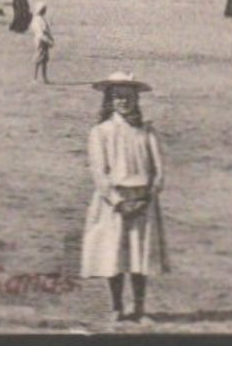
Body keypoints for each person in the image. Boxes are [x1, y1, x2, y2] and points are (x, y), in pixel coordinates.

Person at [81, 73, 169, 322]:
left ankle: (139, 309)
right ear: (110, 100)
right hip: (115, 203)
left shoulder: (147, 132)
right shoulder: (101, 132)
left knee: (140, 257)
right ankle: (117, 308)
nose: (124, 102)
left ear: (136, 100)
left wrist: (148, 196)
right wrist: (118, 201)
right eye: (118, 97)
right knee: (115, 255)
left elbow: (159, 170)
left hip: (143, 202)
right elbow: (99, 172)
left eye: (129, 97)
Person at [30, 3, 54, 83]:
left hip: (41, 39)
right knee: (39, 59)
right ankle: (35, 78)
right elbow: (42, 32)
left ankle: (43, 78)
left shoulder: (38, 19)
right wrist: (48, 41)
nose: (45, 11)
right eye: (44, 9)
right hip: (41, 40)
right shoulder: (39, 20)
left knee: (44, 60)